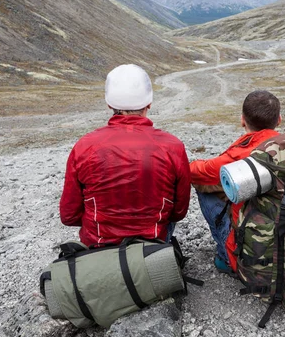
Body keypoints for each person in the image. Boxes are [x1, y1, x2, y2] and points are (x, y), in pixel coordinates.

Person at [59, 64, 191, 246]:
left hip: (98, 247)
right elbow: (179, 212)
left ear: (109, 104)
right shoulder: (172, 146)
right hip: (152, 246)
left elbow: (69, 215)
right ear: (149, 103)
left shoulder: (85, 146)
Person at [190, 90, 281, 273]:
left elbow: (194, 172)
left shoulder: (239, 157)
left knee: (205, 186)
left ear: (242, 120)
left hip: (255, 248)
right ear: (279, 120)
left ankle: (228, 257)